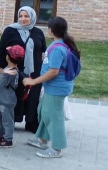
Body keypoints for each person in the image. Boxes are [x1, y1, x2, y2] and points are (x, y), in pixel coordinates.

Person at [23, 16, 80, 158]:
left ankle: (56, 149)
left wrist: (34, 82)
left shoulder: (57, 48)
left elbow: (54, 71)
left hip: (57, 88)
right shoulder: (58, 45)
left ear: (50, 30)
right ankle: (42, 140)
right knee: (43, 111)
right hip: (53, 88)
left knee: (54, 117)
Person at [0, 6, 46, 133]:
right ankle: (11, 121)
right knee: (13, 95)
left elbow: (43, 50)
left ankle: (31, 122)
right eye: (21, 16)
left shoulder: (38, 32)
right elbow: (2, 49)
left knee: (33, 96)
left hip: (34, 71)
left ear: (32, 17)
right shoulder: (10, 30)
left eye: (26, 16)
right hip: (15, 70)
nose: (23, 19)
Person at [0, 45, 25, 148]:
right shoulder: (9, 69)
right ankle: (2, 133)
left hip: (7, 101)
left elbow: (3, 84)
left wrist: (3, 74)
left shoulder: (11, 72)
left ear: (8, 57)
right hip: (2, 100)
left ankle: (8, 139)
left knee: (7, 120)